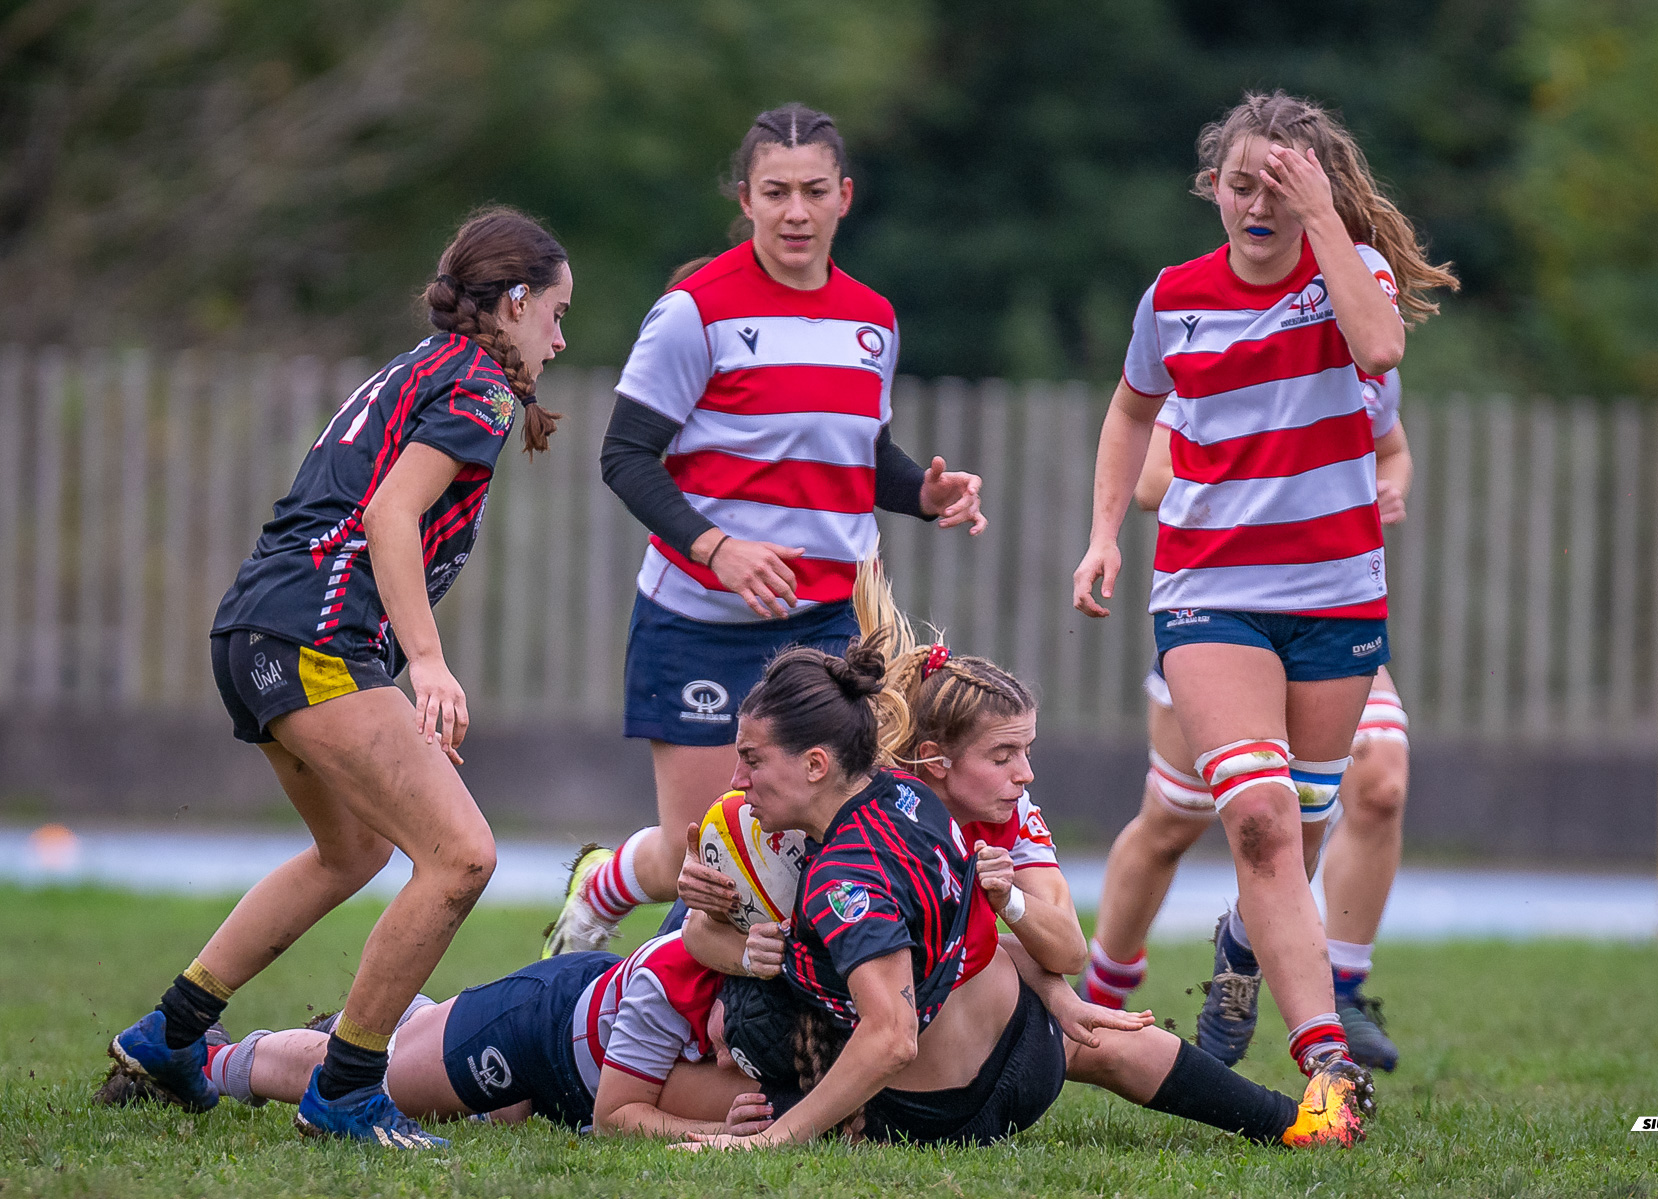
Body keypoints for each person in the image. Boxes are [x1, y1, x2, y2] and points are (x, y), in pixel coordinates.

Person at [101, 208, 574, 1148]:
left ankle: (169, 1034)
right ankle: (348, 1087)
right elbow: (391, 518)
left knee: (352, 851)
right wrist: (429, 663)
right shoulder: (478, 387)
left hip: (254, 630)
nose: (561, 337)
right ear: (514, 302)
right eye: (556, 313)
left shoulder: (421, 364)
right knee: (463, 857)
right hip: (314, 640)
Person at [672, 566, 1372, 1149]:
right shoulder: (912, 811)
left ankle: (617, 1080)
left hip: (929, 1103)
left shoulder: (851, 862)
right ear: (934, 763)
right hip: (1021, 1051)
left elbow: (897, 1029)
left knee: (738, 1022)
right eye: (1005, 754)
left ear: (819, 763)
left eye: (751, 760)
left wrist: (778, 1133)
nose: (1026, 773)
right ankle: (1297, 1122)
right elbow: (958, 941)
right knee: (1105, 1037)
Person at [1072, 90, 1455, 1081]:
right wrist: (1105, 534)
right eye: (1241, 183)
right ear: (1212, 188)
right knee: (1257, 815)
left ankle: (1244, 945)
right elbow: (1128, 413)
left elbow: (1382, 351)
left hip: (1334, 600)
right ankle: (1326, 1063)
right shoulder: (1175, 297)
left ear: (1314, 193)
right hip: (1208, 589)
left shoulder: (1349, 276)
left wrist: (1324, 214)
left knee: (1307, 817)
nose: (1258, 203)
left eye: (1281, 186)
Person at [542, 102, 985, 957]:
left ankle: (760, 1032)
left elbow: (863, 455)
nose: (795, 211)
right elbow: (625, 455)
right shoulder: (694, 312)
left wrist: (923, 494)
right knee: (703, 853)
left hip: (826, 627)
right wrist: (718, 548)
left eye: (813, 190)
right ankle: (607, 900)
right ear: (744, 198)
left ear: (844, 197)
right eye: (775, 191)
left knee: (806, 841)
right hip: (697, 623)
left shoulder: (873, 320)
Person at [1081, 375, 1417, 1073]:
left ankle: (1328, 983)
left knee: (1371, 784)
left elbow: (1392, 449)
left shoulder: (1358, 351)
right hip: (1225, 609)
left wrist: (1387, 484)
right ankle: (1100, 996)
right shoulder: (1219, 338)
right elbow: (1151, 480)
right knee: (1175, 818)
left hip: (1330, 610)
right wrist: (1269, 484)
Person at [191, 935, 777, 1139]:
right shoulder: (667, 979)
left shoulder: (775, 991)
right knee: (379, 1076)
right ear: (728, 982)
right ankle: (210, 1056)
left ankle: (416, 1020)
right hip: (533, 1027)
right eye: (728, 1040)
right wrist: (719, 1133)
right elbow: (615, 1118)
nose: (726, 1060)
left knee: (489, 1110)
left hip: (568, 1075)